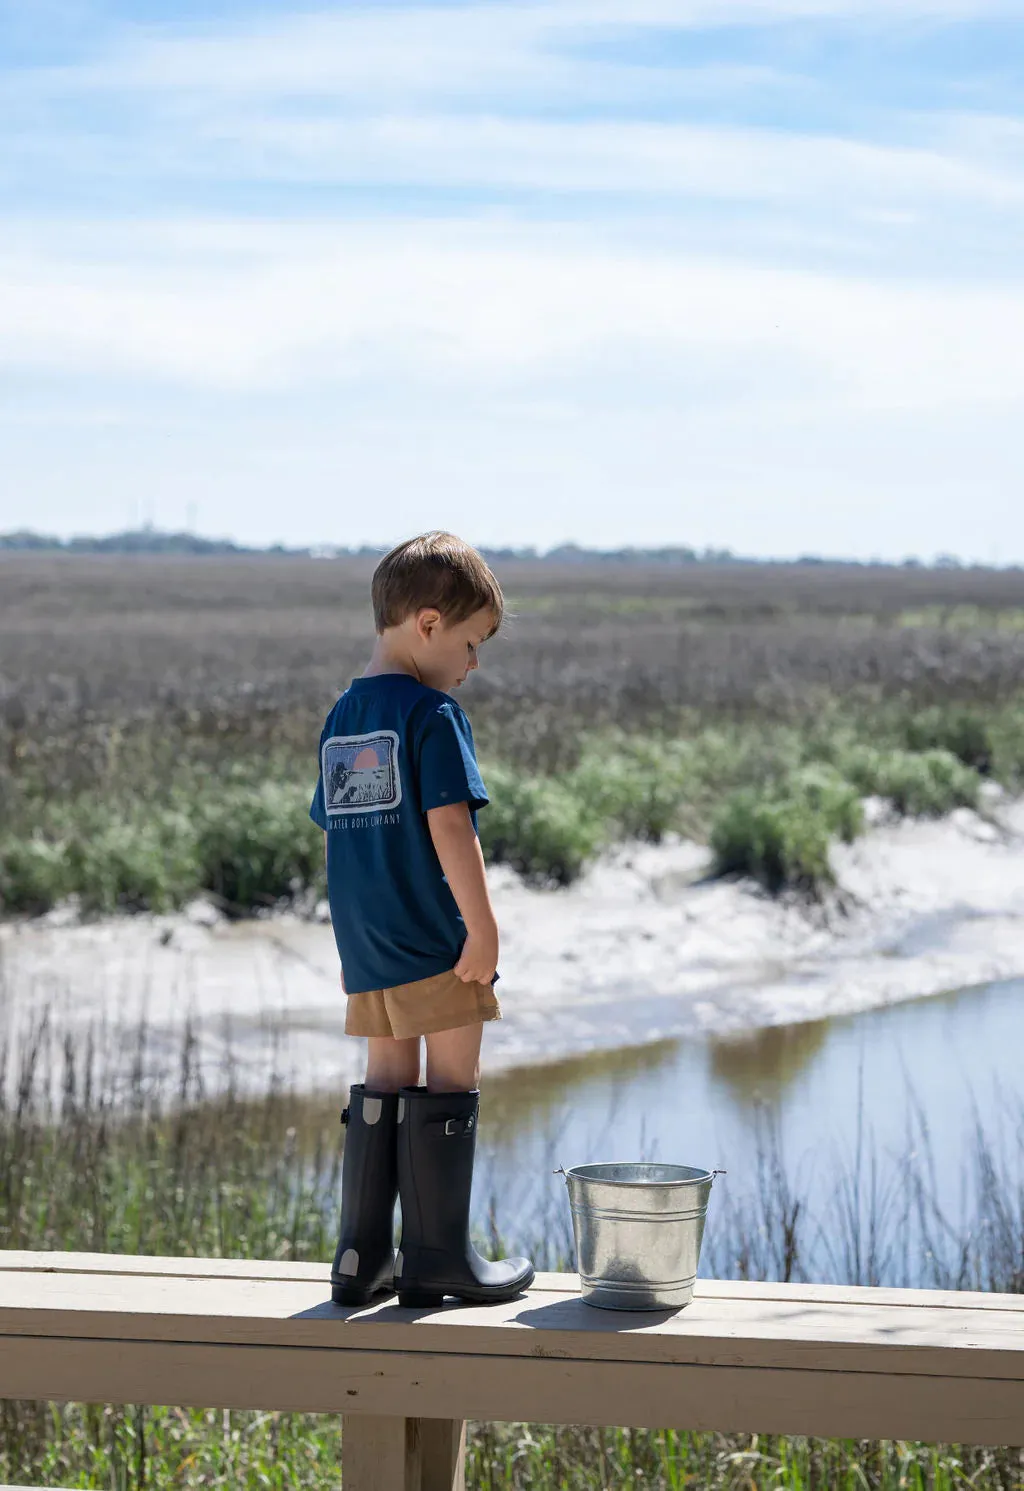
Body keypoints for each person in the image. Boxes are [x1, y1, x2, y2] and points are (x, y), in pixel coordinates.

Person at [310, 531, 534, 1309]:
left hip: (368, 945)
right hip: (435, 939)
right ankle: (438, 1258)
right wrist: (484, 926)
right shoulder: (432, 713)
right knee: (452, 1078)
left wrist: (353, 944)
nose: (472, 665)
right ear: (429, 625)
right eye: (471, 644)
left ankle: (360, 1259)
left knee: (384, 1080)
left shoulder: (344, 717)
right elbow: (450, 827)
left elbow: (342, 840)